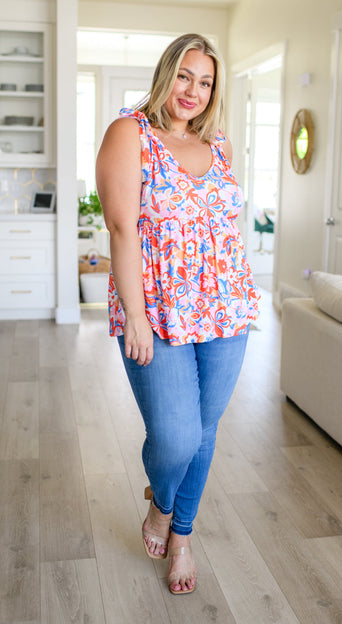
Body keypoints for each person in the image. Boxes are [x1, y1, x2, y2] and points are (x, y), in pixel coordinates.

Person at [96, 33, 259, 595]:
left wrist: (233, 291)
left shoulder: (221, 146)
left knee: (204, 432)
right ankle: (160, 501)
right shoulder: (129, 134)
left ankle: (180, 534)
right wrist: (135, 317)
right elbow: (121, 229)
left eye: (206, 81)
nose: (194, 91)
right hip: (158, 311)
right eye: (185, 76)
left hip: (226, 309)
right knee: (175, 437)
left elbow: (224, 228)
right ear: (167, 74)